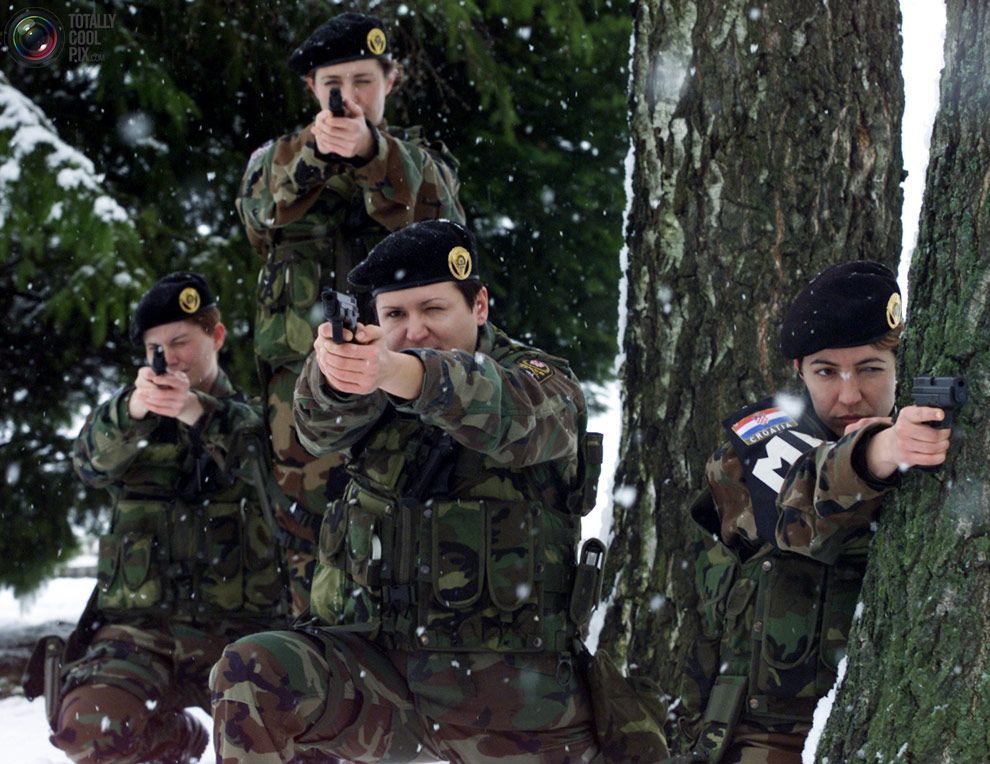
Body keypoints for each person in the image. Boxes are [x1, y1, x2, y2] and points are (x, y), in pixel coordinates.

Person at [211, 220, 666, 763]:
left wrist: (410, 376)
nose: (415, 331)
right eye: (395, 316)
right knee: (253, 673)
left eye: (433, 309)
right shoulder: (373, 385)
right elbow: (314, 427)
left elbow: (520, 417)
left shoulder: (540, 379)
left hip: (512, 697)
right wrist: (335, 376)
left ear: (479, 306)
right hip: (377, 679)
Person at [672, 261, 953, 763]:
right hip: (766, 738)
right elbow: (795, 509)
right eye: (826, 371)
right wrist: (878, 453)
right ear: (799, 371)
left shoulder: (924, 433)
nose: (849, 394)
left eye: (870, 369)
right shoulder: (754, 446)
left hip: (898, 724)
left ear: (900, 363)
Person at [237, 11, 465, 612]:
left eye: (364, 80)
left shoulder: (421, 161)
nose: (350, 95)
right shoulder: (276, 161)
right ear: (312, 88)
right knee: (305, 545)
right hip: (300, 401)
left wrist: (370, 154)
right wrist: (316, 156)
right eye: (333, 82)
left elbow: (444, 221)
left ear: (391, 80)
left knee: (407, 529)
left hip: (404, 381)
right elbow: (260, 214)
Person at [48, 273, 288, 764]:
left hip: (246, 633)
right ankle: (173, 739)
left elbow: (271, 468)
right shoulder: (128, 424)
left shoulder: (256, 418)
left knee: (294, 741)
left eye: (180, 342)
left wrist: (200, 413)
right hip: (142, 633)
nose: (169, 357)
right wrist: (134, 410)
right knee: (90, 728)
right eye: (155, 347)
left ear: (217, 336)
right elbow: (87, 463)